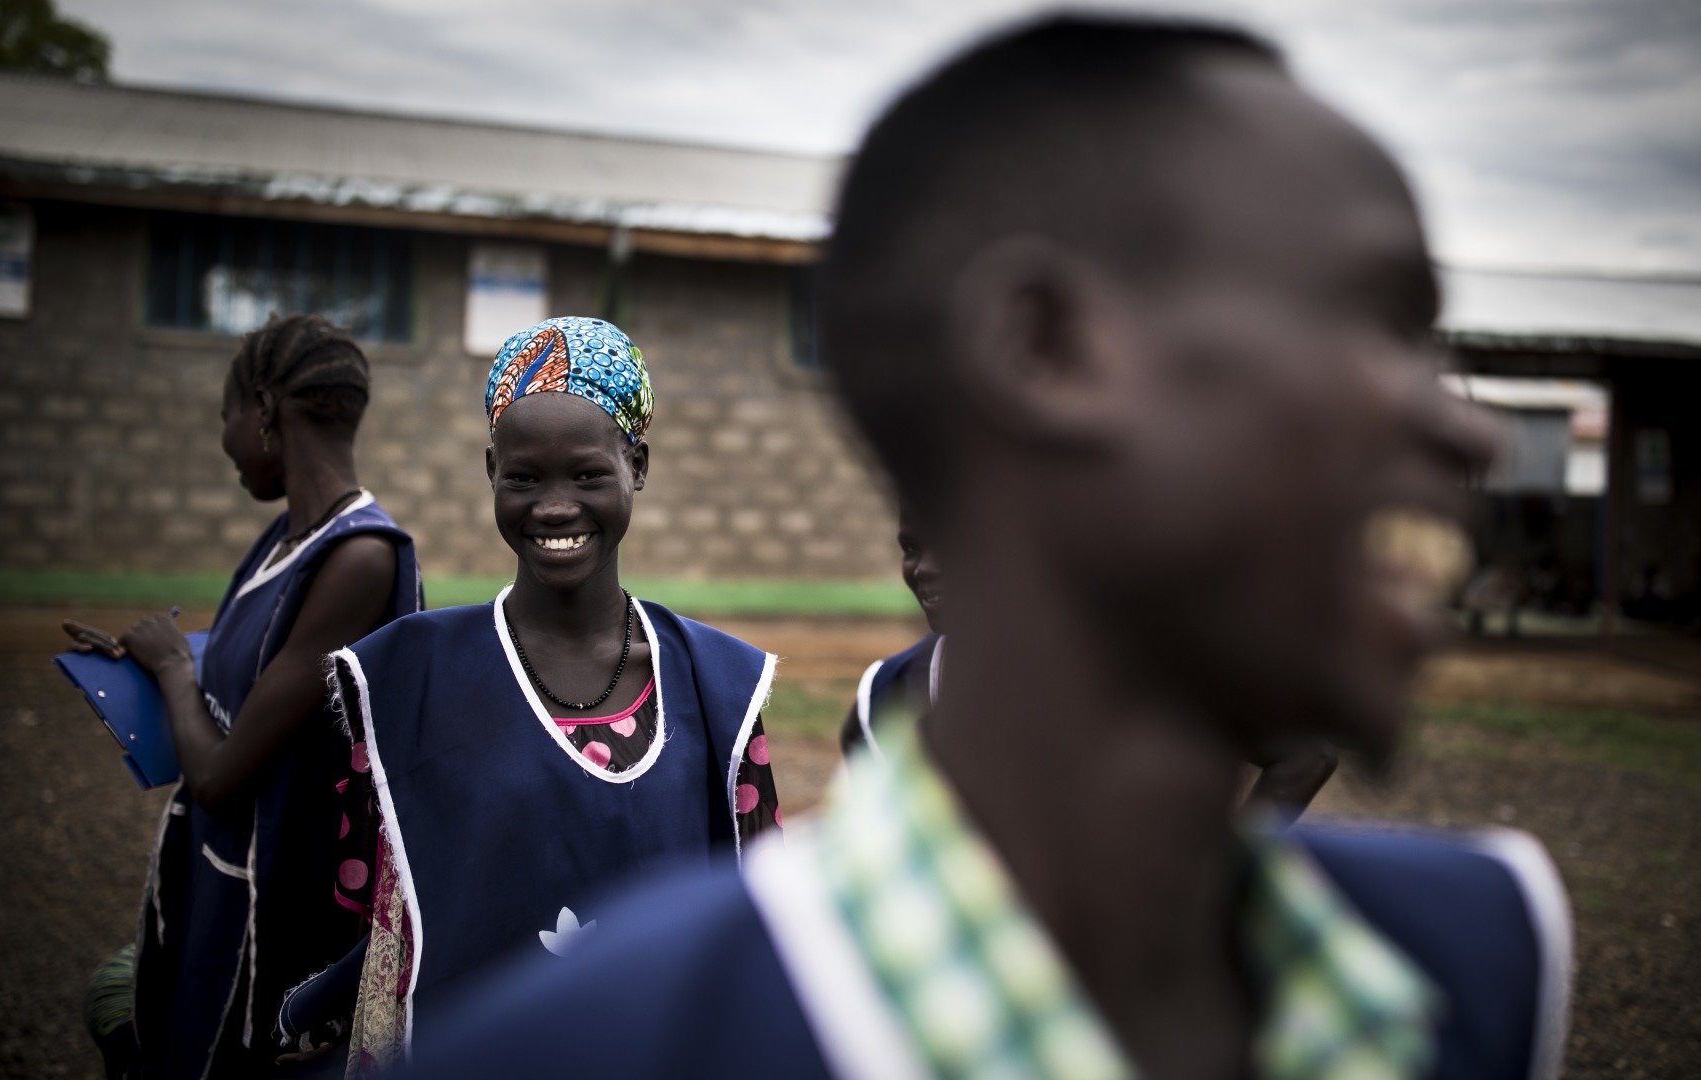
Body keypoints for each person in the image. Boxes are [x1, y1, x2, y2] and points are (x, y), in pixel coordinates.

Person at [406, 16, 1569, 1080]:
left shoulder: (1481, 964)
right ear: (1047, 351)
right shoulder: (623, 1043)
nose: (1465, 425)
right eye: (1361, 316)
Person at [307, 316, 783, 1074]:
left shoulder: (718, 687)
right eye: (524, 477)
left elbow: (757, 912)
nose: (554, 506)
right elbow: (370, 900)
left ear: (639, 465)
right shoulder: (410, 677)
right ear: (490, 469)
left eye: (589, 474)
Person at [65, 314, 420, 1079]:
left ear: (263, 408)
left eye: (226, 415)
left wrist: (170, 670)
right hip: (222, 881)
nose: (225, 440)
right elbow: (254, 686)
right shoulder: (286, 540)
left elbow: (224, 780)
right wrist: (143, 671)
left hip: (273, 914)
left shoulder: (356, 555)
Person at [844, 508, 1339, 825]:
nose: (924, 568)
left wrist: (1226, 885)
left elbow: (1304, 753)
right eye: (911, 548)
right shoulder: (886, 695)